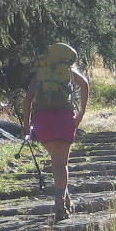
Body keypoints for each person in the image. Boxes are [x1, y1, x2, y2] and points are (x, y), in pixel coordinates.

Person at [21, 42, 90, 221]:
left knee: (56, 161)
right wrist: (81, 113)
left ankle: (65, 199)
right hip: (64, 119)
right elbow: (84, 84)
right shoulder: (69, 73)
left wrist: (27, 125)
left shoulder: (40, 75)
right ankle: (59, 201)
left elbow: (27, 101)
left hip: (42, 120)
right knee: (62, 163)